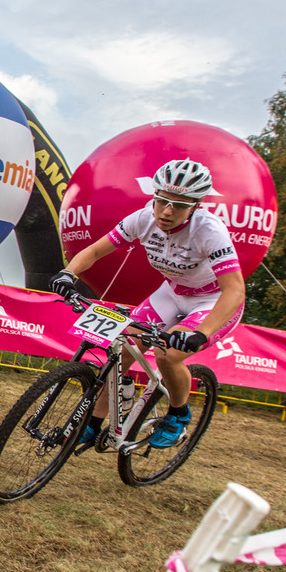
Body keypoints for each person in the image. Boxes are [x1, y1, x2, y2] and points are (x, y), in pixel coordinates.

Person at [49, 158, 245, 449]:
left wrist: (200, 333)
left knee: (168, 355)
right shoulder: (143, 219)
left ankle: (178, 414)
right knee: (122, 349)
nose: (167, 211)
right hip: (173, 291)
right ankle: (92, 425)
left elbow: (235, 290)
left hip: (212, 300)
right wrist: (68, 274)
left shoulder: (209, 231)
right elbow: (94, 251)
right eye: (162, 201)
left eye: (179, 205)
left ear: (195, 206)